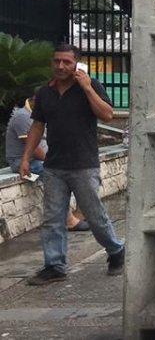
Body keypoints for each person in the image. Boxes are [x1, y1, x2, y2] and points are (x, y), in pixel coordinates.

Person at [20, 44, 125, 285]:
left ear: (76, 63)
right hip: (54, 166)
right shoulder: (44, 93)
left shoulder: (91, 85)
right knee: (53, 219)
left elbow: (107, 115)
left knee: (95, 215)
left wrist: (87, 87)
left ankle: (116, 250)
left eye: (66, 62)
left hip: (84, 165)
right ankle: (54, 265)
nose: (60, 66)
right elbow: (37, 126)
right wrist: (26, 158)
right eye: (57, 61)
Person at [6, 97, 90, 232]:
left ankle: (80, 213)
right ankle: (68, 220)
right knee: (56, 176)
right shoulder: (22, 116)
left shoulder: (39, 114)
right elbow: (34, 148)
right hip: (23, 162)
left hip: (40, 160)